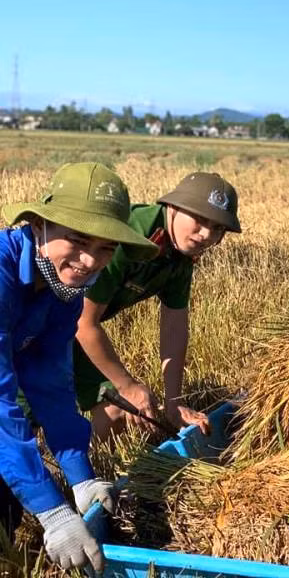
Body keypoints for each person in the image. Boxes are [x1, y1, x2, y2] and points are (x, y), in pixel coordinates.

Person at [0, 162, 158, 571]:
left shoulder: (60, 289)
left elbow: (50, 386)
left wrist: (80, 476)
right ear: (38, 226)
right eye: (78, 239)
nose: (90, 260)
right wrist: (53, 511)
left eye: (107, 247)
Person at [73, 172, 241, 441]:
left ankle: (75, 474)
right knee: (24, 426)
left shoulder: (181, 254)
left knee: (119, 411)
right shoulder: (131, 235)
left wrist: (174, 403)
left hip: (67, 326)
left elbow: (174, 327)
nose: (207, 234)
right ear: (172, 208)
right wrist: (127, 385)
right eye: (199, 220)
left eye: (218, 227)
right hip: (33, 324)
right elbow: (83, 322)